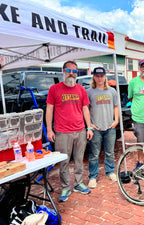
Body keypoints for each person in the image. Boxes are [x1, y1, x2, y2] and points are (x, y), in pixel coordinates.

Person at [46, 61, 93, 202]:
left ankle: (78, 184)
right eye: (69, 70)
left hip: (80, 130)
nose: (71, 73)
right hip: (62, 132)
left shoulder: (81, 89)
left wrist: (89, 127)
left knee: (79, 160)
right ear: (63, 71)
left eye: (74, 71)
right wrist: (49, 129)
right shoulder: (54, 89)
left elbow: (85, 109)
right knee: (64, 162)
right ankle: (66, 187)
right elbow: (49, 109)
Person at [87, 67, 119, 188]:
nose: (99, 78)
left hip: (110, 127)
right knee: (94, 154)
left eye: (102, 76)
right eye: (97, 76)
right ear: (94, 77)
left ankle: (110, 171)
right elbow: (85, 110)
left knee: (110, 152)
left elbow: (116, 106)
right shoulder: (89, 92)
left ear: (105, 77)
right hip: (96, 128)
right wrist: (89, 124)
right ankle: (93, 176)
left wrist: (116, 121)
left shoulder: (112, 91)